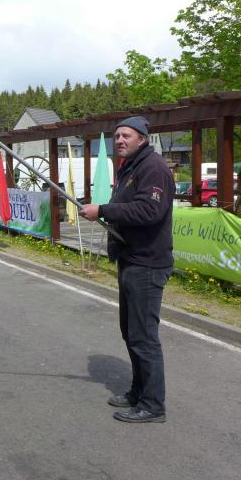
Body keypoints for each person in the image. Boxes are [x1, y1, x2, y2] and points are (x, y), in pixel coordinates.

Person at [79, 115, 175, 424]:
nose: (120, 140)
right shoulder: (131, 166)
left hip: (147, 263)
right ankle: (138, 391)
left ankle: (153, 405)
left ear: (142, 139)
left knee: (144, 337)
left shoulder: (153, 167)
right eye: (117, 136)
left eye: (127, 136)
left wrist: (103, 210)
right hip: (131, 259)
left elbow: (149, 210)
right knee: (131, 333)